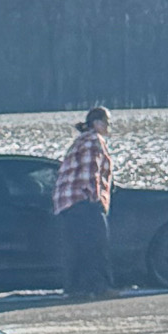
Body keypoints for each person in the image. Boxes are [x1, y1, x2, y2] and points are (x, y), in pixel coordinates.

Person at [54, 106, 115, 297]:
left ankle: (75, 288)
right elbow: (91, 171)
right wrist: (95, 199)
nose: (108, 127)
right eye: (107, 122)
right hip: (82, 199)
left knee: (75, 248)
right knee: (96, 245)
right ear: (97, 123)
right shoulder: (93, 141)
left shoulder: (80, 140)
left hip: (67, 202)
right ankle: (100, 287)